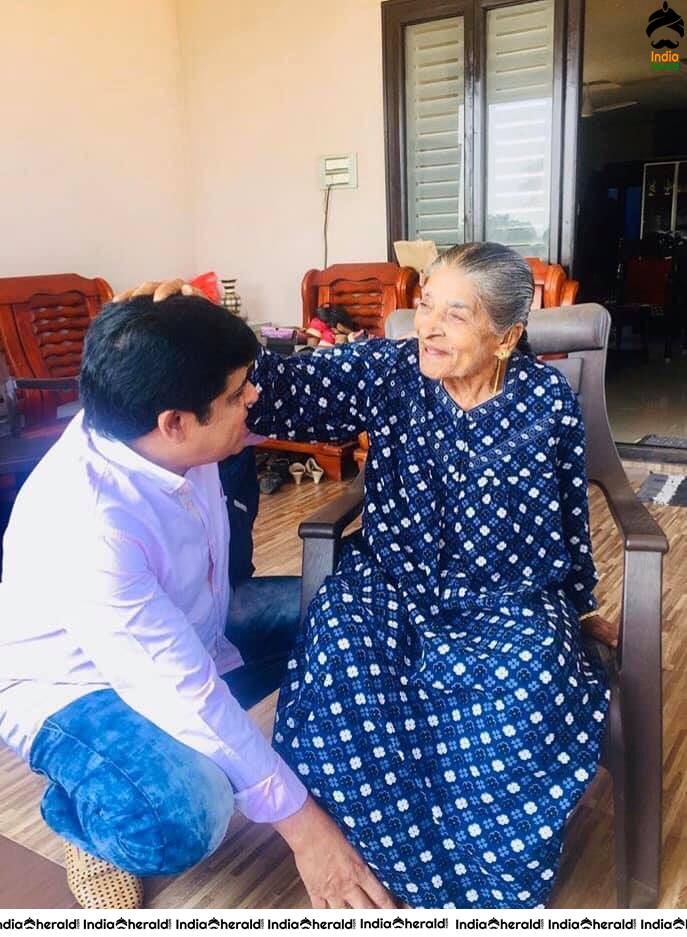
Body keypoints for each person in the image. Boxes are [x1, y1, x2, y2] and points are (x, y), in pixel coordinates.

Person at [239, 242, 614, 908]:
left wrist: (583, 606)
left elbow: (567, 518)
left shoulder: (545, 404)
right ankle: (370, 866)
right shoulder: (392, 371)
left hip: (508, 599)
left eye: (455, 315)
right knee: (339, 662)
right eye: (423, 307)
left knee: (522, 683)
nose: (427, 328)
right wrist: (198, 333)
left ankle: (480, 895)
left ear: (505, 339)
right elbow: (280, 389)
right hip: (389, 580)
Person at [0, 293, 394, 911]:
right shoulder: (89, 523)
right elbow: (181, 687)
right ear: (175, 423)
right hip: (78, 686)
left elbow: (338, 385)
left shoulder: (155, 414)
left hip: (197, 627)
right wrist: (308, 831)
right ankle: (87, 806)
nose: (255, 399)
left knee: (358, 610)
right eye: (239, 395)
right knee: (184, 815)